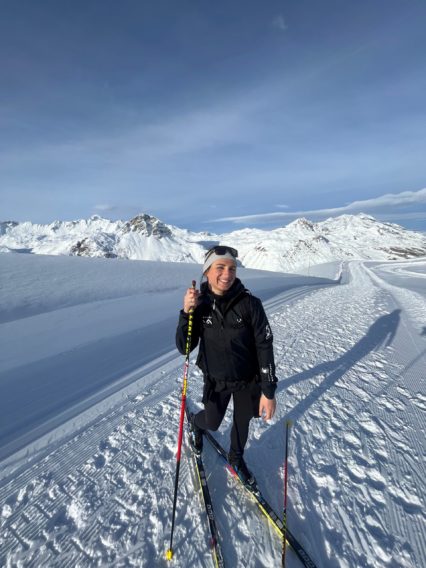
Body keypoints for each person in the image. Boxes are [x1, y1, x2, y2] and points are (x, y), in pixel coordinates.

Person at [175, 245, 277, 486]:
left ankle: (236, 458)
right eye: (220, 267)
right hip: (216, 380)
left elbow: (265, 345)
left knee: (242, 425)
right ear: (207, 272)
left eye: (231, 268)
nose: (227, 274)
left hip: (247, 379)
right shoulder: (200, 306)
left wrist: (268, 391)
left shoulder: (250, 304)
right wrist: (186, 312)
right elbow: (185, 347)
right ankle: (195, 423)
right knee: (211, 421)